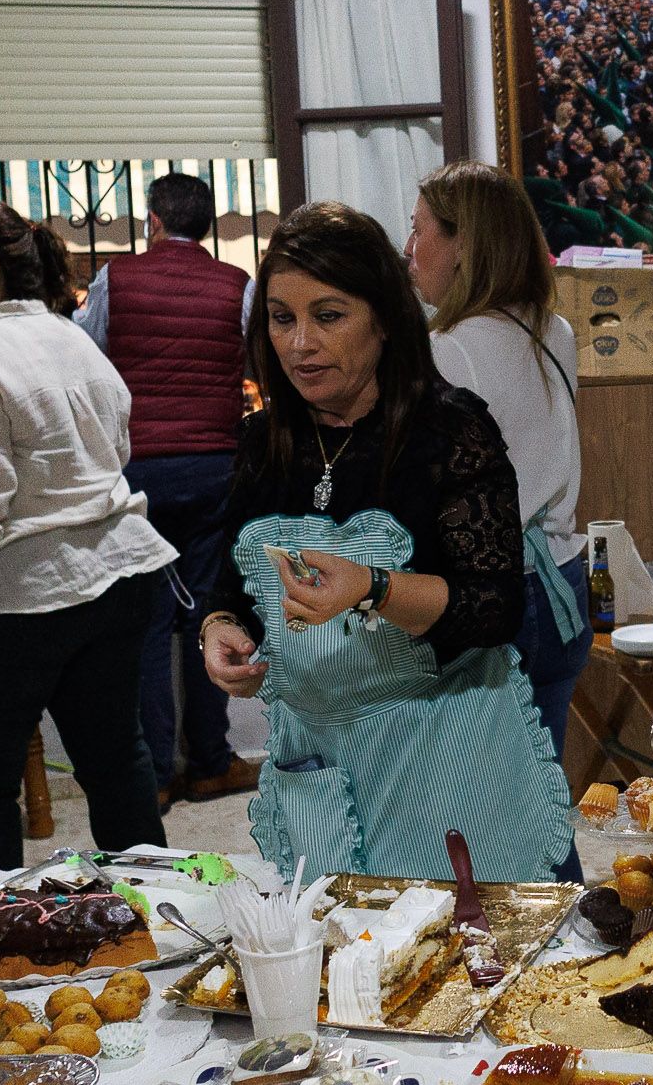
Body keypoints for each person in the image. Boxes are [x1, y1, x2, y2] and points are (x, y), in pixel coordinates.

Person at [199, 202, 570, 883]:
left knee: (461, 964)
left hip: (444, 761)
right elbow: (232, 587)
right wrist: (222, 632)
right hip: (318, 763)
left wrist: (372, 588)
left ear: (385, 321)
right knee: (340, 962)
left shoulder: (449, 433)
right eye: (282, 318)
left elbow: (493, 608)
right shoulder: (265, 441)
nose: (300, 343)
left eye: (329, 316)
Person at [0, 196, 172, 870]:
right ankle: (158, 908)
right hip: (116, 576)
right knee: (118, 760)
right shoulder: (70, 336)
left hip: (20, 598)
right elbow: (114, 443)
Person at [74, 171, 259, 808]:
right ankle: (211, 761)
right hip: (214, 466)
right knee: (209, 611)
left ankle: (154, 775)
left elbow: (86, 357)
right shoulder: (239, 285)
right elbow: (260, 362)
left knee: (149, 622)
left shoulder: (114, 279)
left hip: (140, 470)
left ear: (152, 219)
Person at [404, 160, 589, 755]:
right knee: (539, 805)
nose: (410, 248)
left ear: (463, 245)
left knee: (482, 815)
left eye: (419, 229)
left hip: (493, 598)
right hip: (562, 579)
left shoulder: (449, 349)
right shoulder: (554, 331)